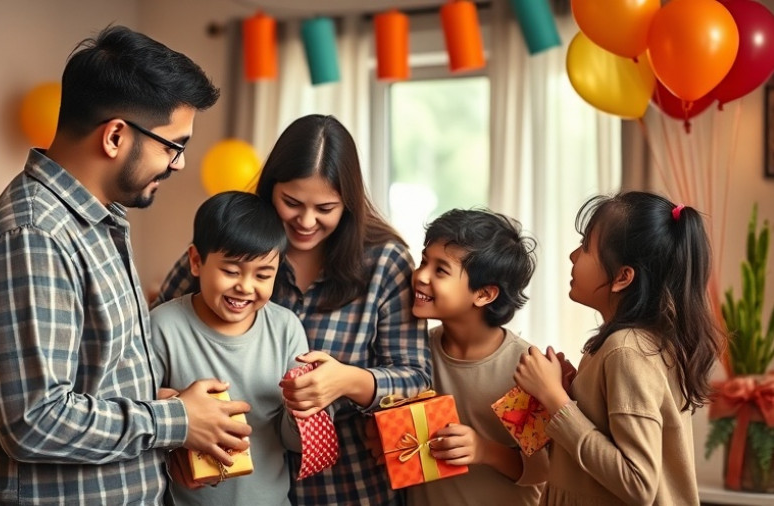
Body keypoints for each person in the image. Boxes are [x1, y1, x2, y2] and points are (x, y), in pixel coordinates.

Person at [0, 26, 251, 505]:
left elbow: (93, 381)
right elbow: (35, 421)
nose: (177, 164)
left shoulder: (98, 220)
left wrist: (164, 404)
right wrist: (176, 421)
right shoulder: (34, 238)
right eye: (172, 146)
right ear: (115, 136)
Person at [154, 114, 431, 504]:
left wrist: (348, 381)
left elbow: (417, 378)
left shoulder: (384, 262)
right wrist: (173, 422)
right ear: (271, 190)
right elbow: (151, 352)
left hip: (348, 486)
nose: (305, 221)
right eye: (292, 203)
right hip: (221, 486)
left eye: (326, 208)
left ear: (348, 204)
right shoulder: (227, 246)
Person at [514, 191, 723, 505]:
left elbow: (638, 483)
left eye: (585, 248)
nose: (573, 256)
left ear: (623, 277)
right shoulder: (623, 345)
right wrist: (571, 394)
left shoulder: (627, 351)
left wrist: (556, 401)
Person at [151, 191, 309, 506]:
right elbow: (140, 416)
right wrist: (171, 406)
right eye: (231, 271)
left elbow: (292, 441)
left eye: (263, 275)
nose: (246, 286)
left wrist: (302, 408)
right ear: (196, 261)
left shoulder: (286, 328)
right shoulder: (164, 324)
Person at [404, 209, 549, 505]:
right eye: (423, 262)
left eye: (440, 270)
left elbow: (541, 470)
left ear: (484, 294)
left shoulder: (524, 367)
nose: (420, 276)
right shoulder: (415, 353)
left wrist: (483, 450)